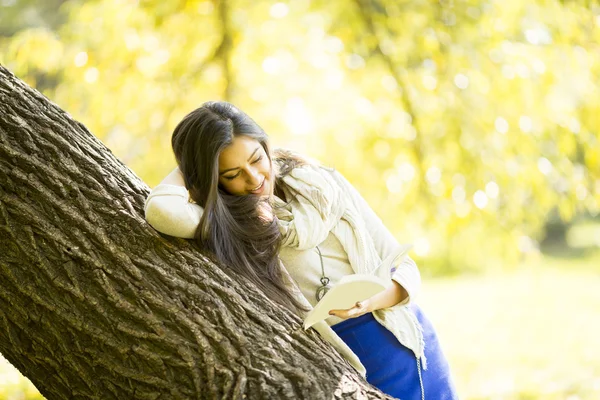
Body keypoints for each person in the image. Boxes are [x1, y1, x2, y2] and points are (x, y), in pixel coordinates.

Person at [144, 101, 458, 399]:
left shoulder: (322, 184)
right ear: (214, 181)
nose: (254, 179)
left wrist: (369, 301)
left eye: (256, 159)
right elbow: (162, 212)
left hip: (405, 339)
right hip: (343, 361)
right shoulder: (228, 223)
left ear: (266, 145)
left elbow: (404, 267)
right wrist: (190, 168)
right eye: (232, 174)